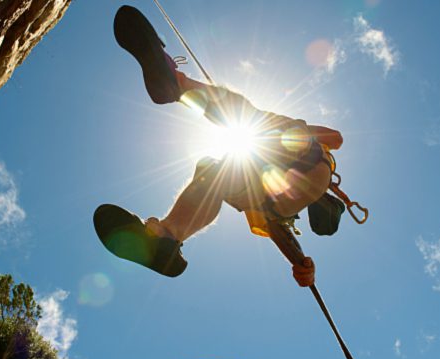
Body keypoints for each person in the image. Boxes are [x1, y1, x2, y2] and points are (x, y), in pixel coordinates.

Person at [95, 6, 343, 277]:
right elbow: (278, 231)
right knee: (213, 171)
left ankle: (177, 84)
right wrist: (300, 263)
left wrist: (297, 129)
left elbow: (336, 138)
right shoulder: (275, 209)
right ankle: (166, 238)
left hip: (307, 169)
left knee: (251, 120)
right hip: (271, 195)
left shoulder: (306, 163)